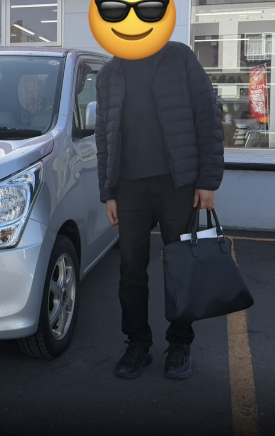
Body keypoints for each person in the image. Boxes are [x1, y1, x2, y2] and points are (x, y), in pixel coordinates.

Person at [94, 41, 225, 380]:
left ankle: (180, 343)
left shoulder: (179, 58)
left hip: (177, 185)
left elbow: (207, 115)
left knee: (181, 268)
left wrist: (208, 180)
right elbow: (103, 136)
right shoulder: (110, 72)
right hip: (129, 188)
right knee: (130, 270)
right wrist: (108, 192)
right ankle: (137, 344)